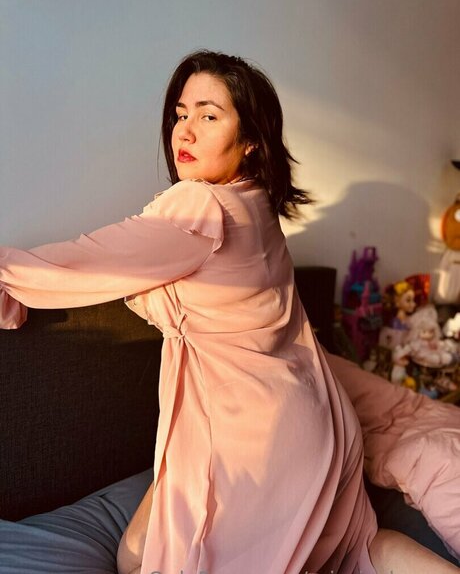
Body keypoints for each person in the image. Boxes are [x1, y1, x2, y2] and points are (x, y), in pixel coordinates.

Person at [1, 50, 458, 574]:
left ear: (251, 139)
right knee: (352, 551)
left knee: (139, 562)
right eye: (181, 114)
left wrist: (9, 278)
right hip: (317, 422)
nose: (185, 131)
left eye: (209, 115)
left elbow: (86, 261)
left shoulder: (199, 207)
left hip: (250, 442)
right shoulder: (257, 203)